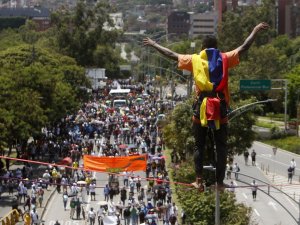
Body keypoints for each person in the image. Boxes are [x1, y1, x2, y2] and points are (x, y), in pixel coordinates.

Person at [143, 22, 269, 190]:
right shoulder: (225, 58)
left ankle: (199, 179)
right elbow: (244, 47)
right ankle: (219, 182)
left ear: (202, 47)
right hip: (220, 107)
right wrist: (254, 30)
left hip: (201, 107)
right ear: (217, 47)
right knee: (222, 146)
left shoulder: (194, 59)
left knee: (198, 145)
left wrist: (154, 44)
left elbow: (171, 54)